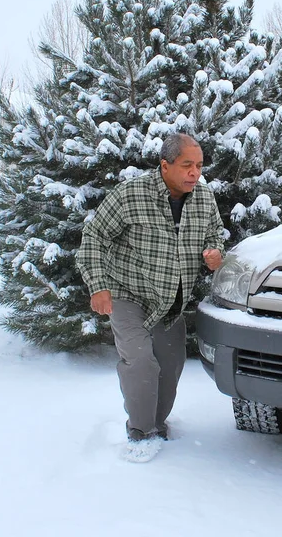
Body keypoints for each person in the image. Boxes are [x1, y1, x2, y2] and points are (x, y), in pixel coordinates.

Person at [76, 133, 224, 445]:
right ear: (165, 165)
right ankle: (141, 433)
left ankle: (157, 423)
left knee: (170, 368)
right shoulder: (131, 194)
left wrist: (213, 251)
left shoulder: (203, 197)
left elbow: (214, 232)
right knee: (141, 362)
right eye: (187, 165)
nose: (195, 173)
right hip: (128, 294)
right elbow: (94, 236)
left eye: (199, 165)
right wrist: (98, 286)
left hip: (171, 301)